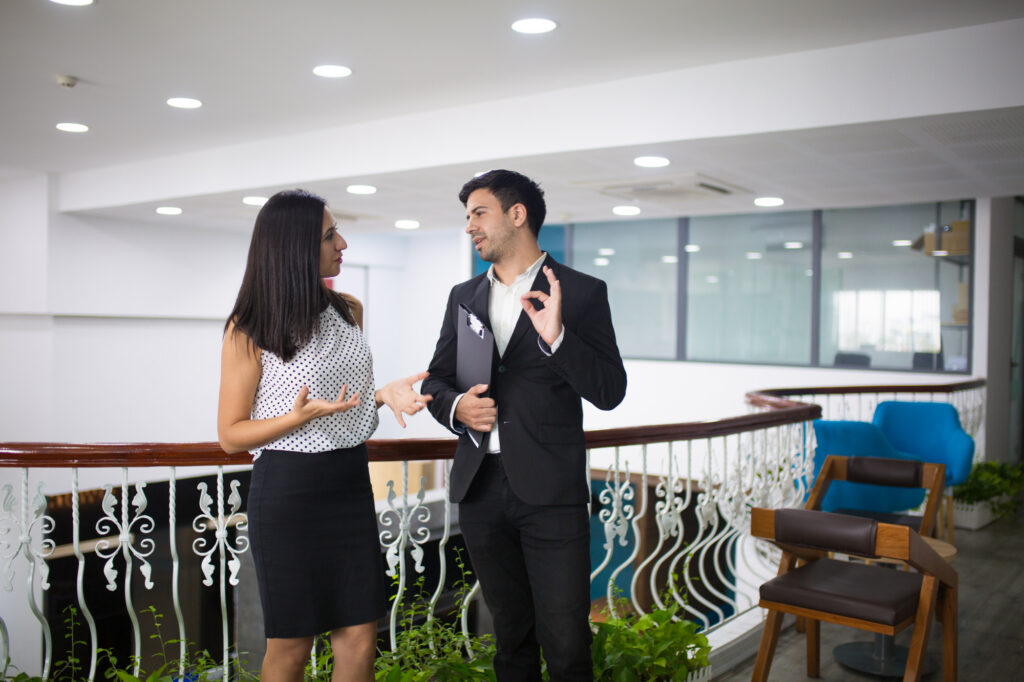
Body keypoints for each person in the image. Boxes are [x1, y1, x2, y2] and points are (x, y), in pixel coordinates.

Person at [217, 189, 431, 682]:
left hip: (349, 482)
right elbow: (231, 435)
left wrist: (382, 394)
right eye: (330, 235)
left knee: (359, 635)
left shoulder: (348, 309)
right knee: (291, 644)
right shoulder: (248, 328)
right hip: (289, 491)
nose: (343, 243)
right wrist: (296, 418)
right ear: (293, 246)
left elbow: (344, 399)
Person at [422, 170, 627, 681]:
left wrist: (558, 339)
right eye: (467, 215)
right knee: (509, 635)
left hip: (550, 493)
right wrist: (456, 409)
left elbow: (609, 391)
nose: (469, 225)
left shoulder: (581, 292)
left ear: (517, 215)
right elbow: (437, 381)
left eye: (479, 212)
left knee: (565, 639)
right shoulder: (462, 295)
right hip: (481, 490)